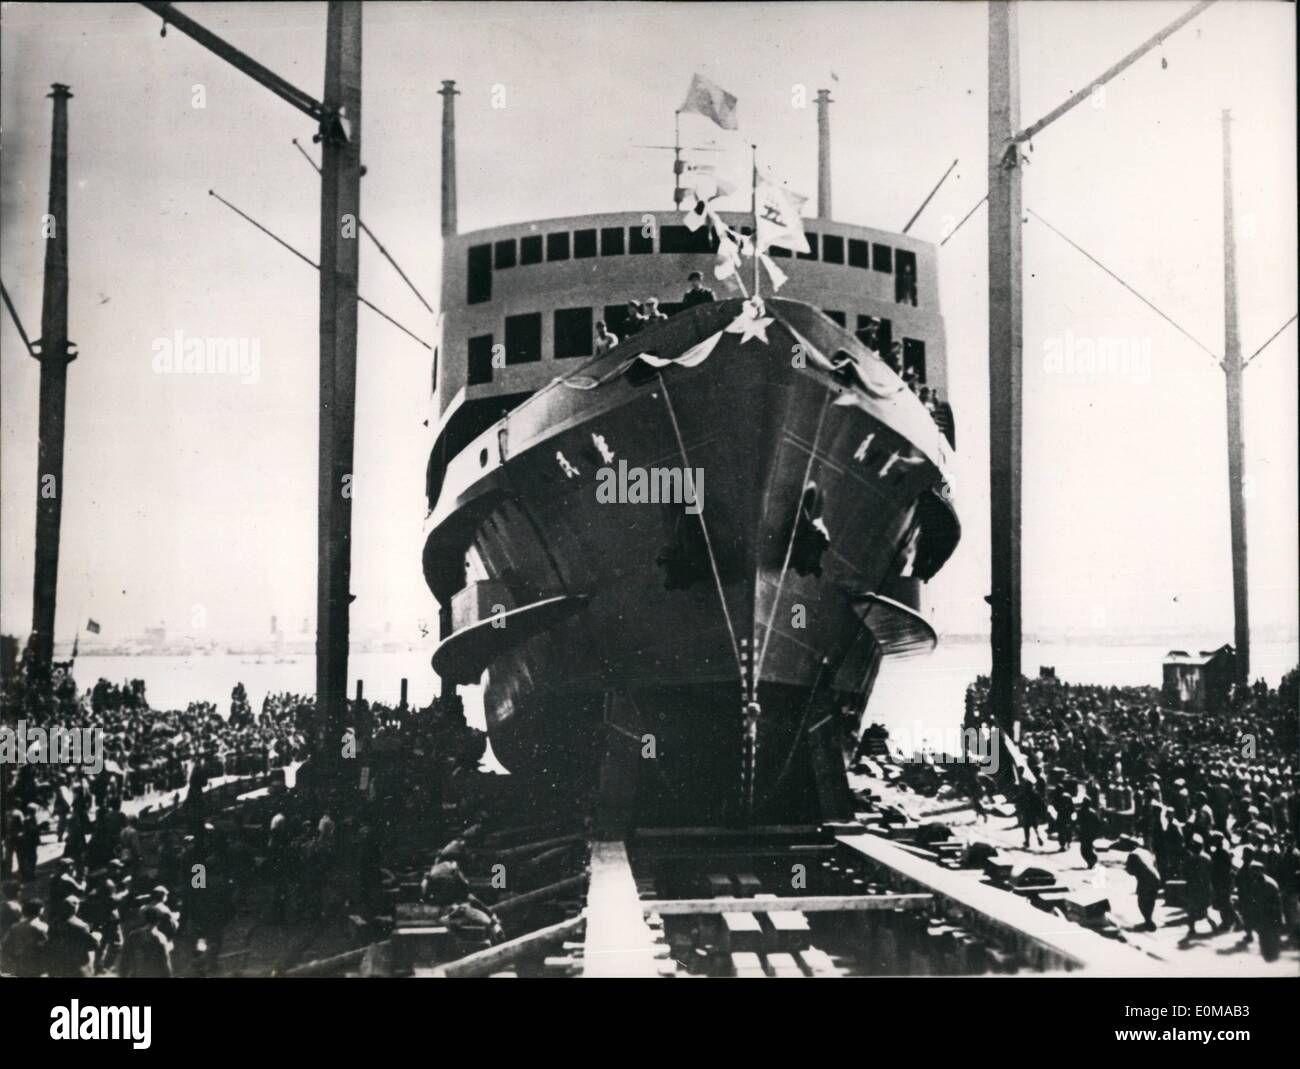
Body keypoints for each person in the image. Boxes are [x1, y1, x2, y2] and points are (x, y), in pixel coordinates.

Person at [43, 895, 100, 977]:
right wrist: (95, 935)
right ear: (75, 908)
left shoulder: (54, 923)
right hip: (77, 967)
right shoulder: (81, 926)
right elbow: (94, 945)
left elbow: (49, 942)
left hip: (57, 966)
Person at [119, 905, 173, 978]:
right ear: (158, 921)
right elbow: (165, 964)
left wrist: (123, 975)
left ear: (143, 918)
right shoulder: (160, 938)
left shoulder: (133, 935)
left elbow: (124, 960)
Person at [1, 898, 48, 976]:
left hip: (19, 963)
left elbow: (5, 944)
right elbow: (46, 947)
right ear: (40, 910)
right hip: (37, 964)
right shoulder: (43, 927)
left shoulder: (15, 926)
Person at [1125, 849, 1162, 931]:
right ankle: (1148, 919)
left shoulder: (1133, 854)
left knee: (1142, 901)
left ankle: (1148, 920)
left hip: (1145, 879)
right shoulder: (1146, 852)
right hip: (1156, 877)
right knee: (1151, 900)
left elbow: (1130, 870)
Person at [1183, 835, 1212, 939]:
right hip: (1204, 886)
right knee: (1204, 907)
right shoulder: (1207, 858)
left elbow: (1185, 873)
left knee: (1191, 909)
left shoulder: (1190, 859)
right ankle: (1212, 923)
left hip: (1193, 887)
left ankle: (1192, 928)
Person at [1209, 833, 1237, 931]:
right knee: (1224, 902)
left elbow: (1225, 868)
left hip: (1222, 880)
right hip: (1222, 880)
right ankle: (1232, 921)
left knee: (1224, 902)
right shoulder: (1221, 852)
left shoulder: (1220, 853)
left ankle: (1228, 922)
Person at [1017, 777, 1045, 848]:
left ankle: (1027, 842)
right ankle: (1038, 837)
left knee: (1026, 828)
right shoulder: (1036, 793)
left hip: (1027, 813)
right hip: (1034, 813)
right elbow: (1041, 804)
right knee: (1035, 827)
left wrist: (1020, 810)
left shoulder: (1024, 794)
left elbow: (1019, 802)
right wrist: (1041, 813)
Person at [1077, 797, 1101, 869]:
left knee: (1085, 849)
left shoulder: (1085, 812)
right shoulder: (1090, 812)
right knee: (1086, 848)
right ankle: (1091, 861)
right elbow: (1098, 823)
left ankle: (1092, 861)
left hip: (1086, 833)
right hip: (1087, 833)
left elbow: (1098, 823)